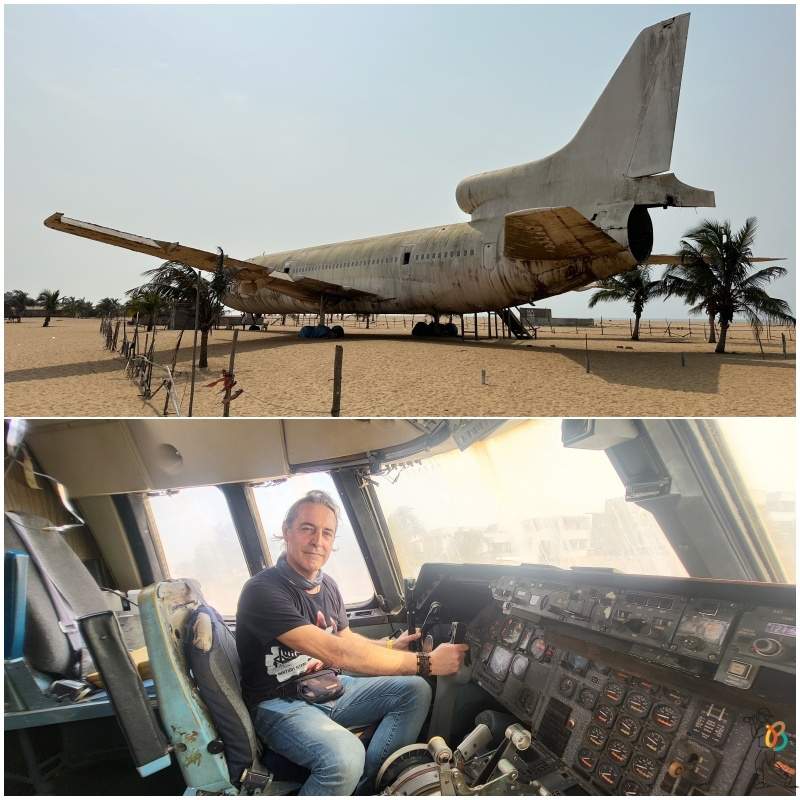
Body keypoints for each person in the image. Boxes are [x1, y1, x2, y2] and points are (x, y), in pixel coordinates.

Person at [236, 490, 468, 795]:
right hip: (279, 703)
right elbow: (337, 651)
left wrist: (387, 647)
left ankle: (365, 786)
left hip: (327, 687)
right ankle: (347, 779)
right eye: (307, 528)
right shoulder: (262, 591)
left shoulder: (326, 585)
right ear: (286, 531)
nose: (317, 540)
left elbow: (343, 637)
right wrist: (426, 662)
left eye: (326, 532)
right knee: (345, 757)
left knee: (415, 691)